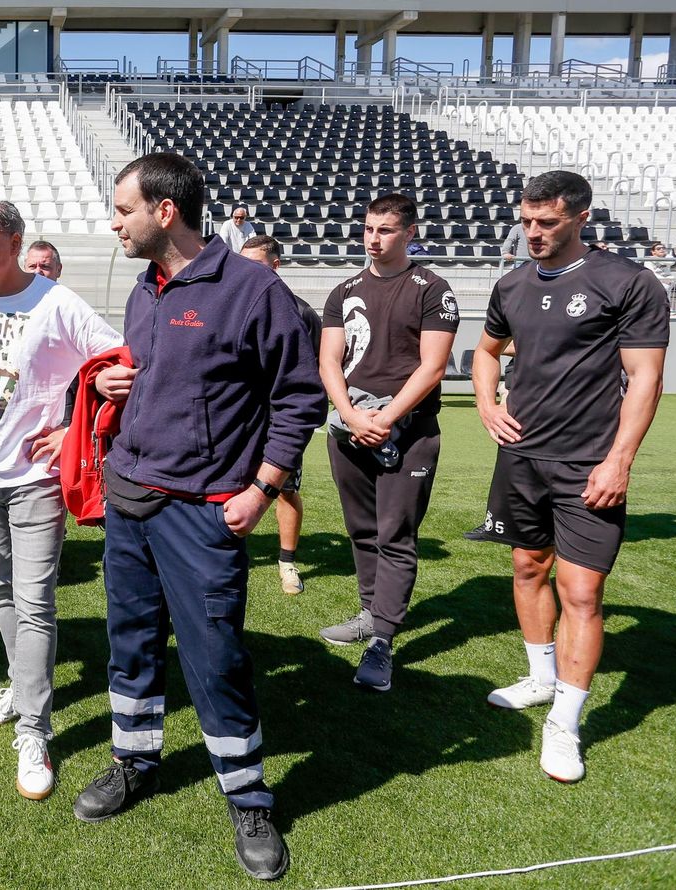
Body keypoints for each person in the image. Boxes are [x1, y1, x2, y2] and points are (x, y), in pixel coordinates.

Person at [71, 154, 322, 883]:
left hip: (204, 512)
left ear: (165, 211)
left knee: (215, 659)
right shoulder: (145, 289)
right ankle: (134, 762)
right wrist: (119, 379)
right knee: (131, 645)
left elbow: (300, 397)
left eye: (123, 210)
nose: (114, 223)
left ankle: (248, 797)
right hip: (130, 499)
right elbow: (161, 378)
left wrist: (263, 488)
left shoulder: (252, 289)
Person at [469, 170, 668, 783]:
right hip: (522, 459)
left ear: (580, 217)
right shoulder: (511, 283)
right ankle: (539, 675)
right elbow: (485, 351)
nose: (532, 232)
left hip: (589, 464)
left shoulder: (627, 283)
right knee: (528, 568)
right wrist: (488, 404)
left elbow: (645, 376)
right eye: (526, 221)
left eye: (546, 222)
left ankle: (566, 722)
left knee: (582, 593)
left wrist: (619, 460)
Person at [0, 199, 122, 802]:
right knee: (1, 592)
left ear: (13, 242)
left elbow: (118, 362)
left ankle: (35, 728)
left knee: (35, 602)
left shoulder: (57, 303)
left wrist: (75, 430)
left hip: (35, 481)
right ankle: (20, 685)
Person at [316, 194, 458, 693]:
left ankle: (382, 642)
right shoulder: (344, 290)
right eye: (368, 229)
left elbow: (433, 367)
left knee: (396, 535)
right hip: (351, 429)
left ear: (410, 233)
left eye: (386, 230)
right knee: (361, 530)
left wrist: (386, 417)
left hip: (409, 431)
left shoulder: (432, 290)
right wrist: (353, 416)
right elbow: (329, 361)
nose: (374, 239)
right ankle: (369, 612)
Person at [239, 235, 323, 595]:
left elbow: (315, 371)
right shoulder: (228, 304)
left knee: (285, 489)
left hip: (280, 422)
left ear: (275, 266)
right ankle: (224, 551)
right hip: (237, 419)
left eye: (255, 265)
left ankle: (287, 562)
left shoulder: (301, 312)